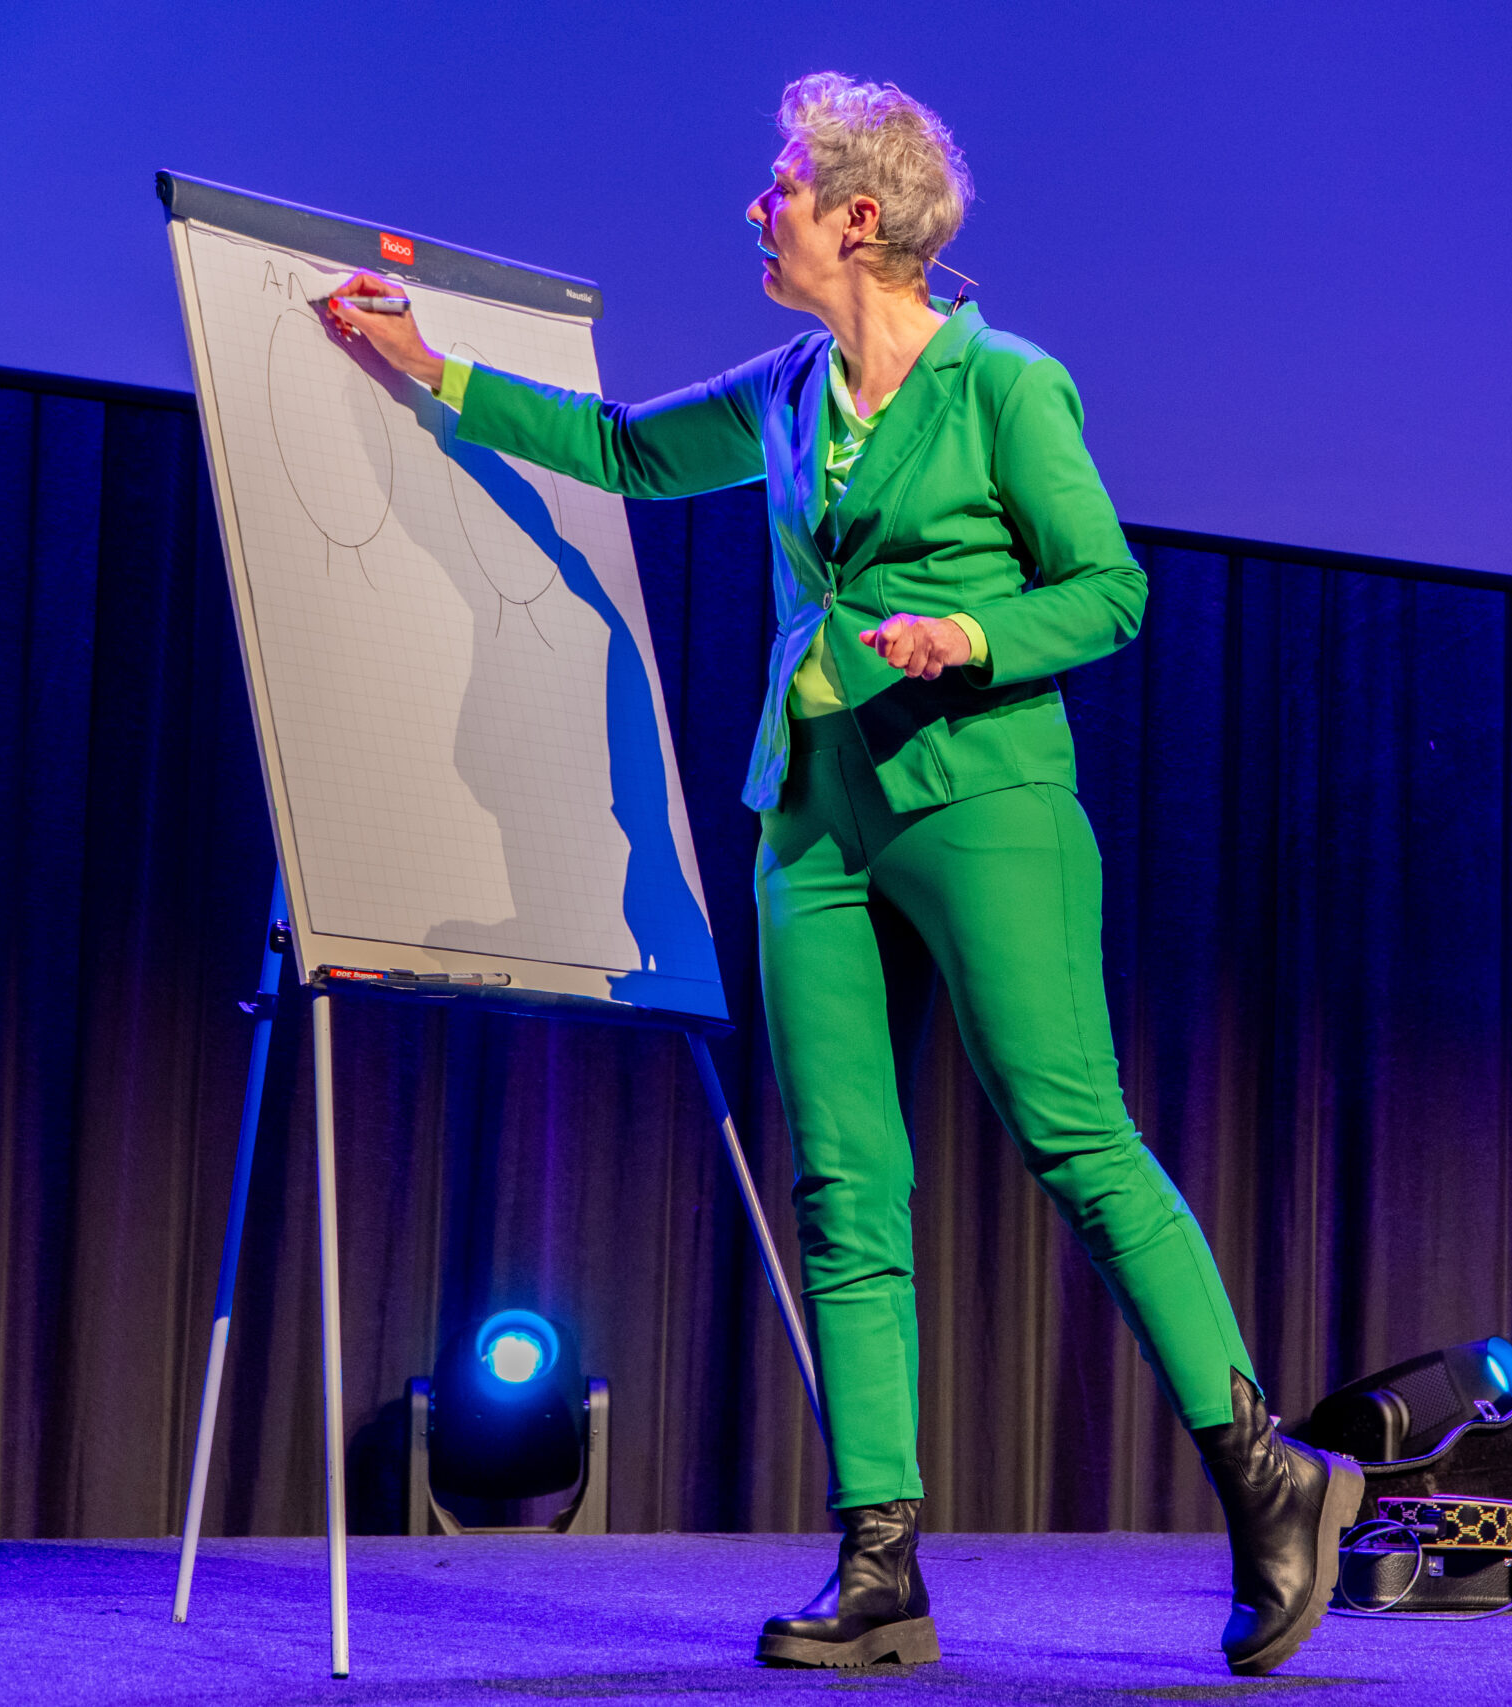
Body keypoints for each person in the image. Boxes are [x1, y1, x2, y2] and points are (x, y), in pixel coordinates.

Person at [325, 70, 1359, 1677]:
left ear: (857, 217)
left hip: (981, 799)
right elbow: (621, 449)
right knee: (843, 1188)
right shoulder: (792, 388)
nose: (761, 207)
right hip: (811, 816)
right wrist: (431, 369)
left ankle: (1265, 1473)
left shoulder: (1005, 384)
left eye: (783, 186)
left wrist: (969, 635)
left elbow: (1110, 592)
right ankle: (881, 1566)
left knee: (1075, 1138)